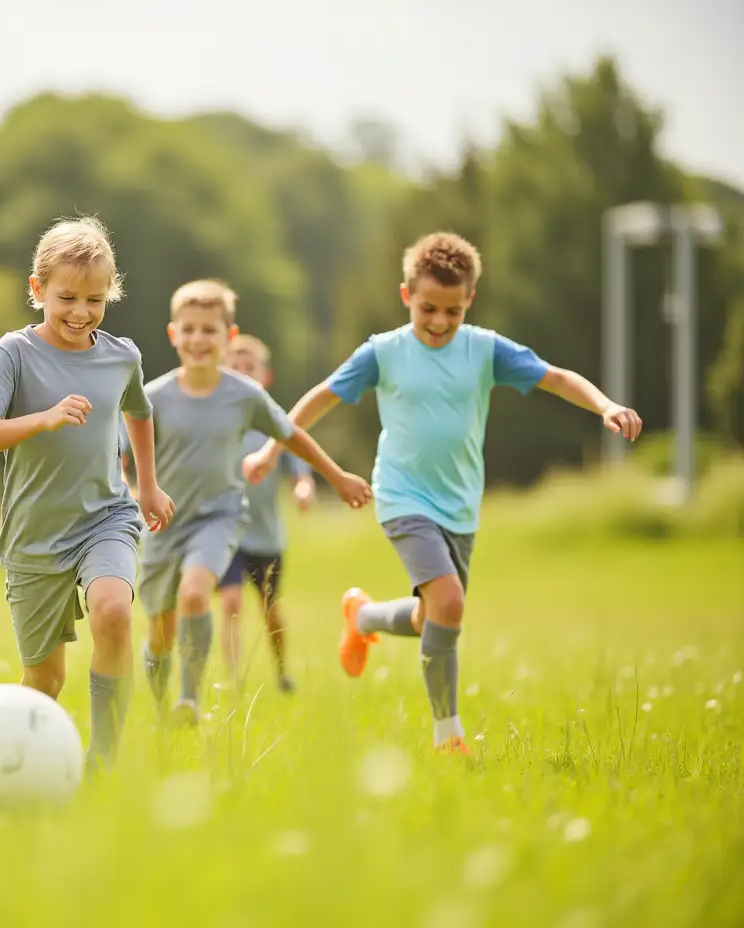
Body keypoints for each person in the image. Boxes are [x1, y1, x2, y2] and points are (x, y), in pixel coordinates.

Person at [245, 231, 643, 755]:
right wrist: (273, 453)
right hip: (402, 497)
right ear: (406, 295)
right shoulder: (384, 353)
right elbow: (320, 398)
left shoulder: (484, 349)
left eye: (451, 312)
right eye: (428, 308)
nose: (438, 322)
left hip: (459, 505)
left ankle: (363, 618)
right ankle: (448, 734)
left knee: (433, 615)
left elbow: (558, 378)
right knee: (449, 602)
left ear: (469, 301)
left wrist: (606, 406)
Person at [0, 216, 174, 771]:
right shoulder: (12, 354)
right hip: (34, 536)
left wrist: (146, 487)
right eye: (67, 297)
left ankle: (103, 758)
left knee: (113, 612)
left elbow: (140, 414)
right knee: (44, 680)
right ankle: (17, 769)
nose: (81, 311)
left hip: (107, 516)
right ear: (36, 290)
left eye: (95, 300)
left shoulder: (121, 356)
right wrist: (44, 420)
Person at [132, 279, 371, 726]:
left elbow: (291, 434)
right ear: (173, 334)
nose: (199, 339)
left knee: (196, 591)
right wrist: (132, 494)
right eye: (189, 329)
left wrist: (336, 477)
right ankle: (161, 705)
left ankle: (189, 699)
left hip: (218, 518)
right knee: (160, 633)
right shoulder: (153, 397)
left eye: (210, 330)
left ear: (229, 337)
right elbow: (125, 459)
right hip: (164, 524)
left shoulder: (244, 395)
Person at [216, 335, 316, 693]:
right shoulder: (219, 422)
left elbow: (298, 465)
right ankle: (233, 679)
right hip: (228, 532)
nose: (242, 375)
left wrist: (303, 487)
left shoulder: (274, 422)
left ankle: (282, 672)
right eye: (235, 368)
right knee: (230, 601)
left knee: (270, 609)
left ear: (265, 377)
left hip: (267, 536)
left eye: (250, 369)